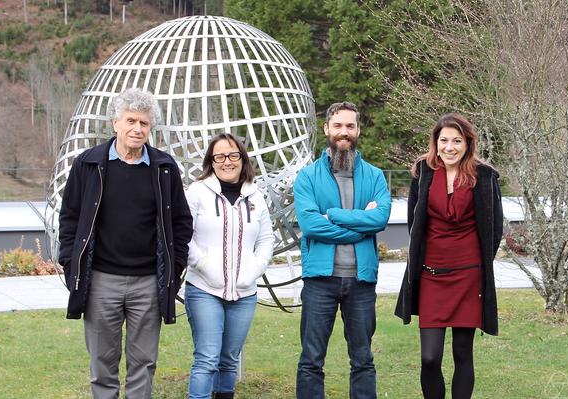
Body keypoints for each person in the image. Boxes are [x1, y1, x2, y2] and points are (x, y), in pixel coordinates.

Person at [58, 88, 193, 399]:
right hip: (101, 280)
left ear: (151, 128)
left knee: (143, 363)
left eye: (144, 123)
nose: (138, 129)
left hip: (148, 282)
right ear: (114, 123)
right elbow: (70, 219)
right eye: (131, 121)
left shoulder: (165, 167)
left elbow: (182, 223)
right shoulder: (88, 164)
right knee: (102, 363)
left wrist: (175, 269)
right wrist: (70, 263)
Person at [394, 113, 503, 399]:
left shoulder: (484, 176)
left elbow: (494, 228)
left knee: (462, 353)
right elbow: (414, 223)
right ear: (436, 142)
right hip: (432, 274)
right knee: (430, 357)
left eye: (457, 141)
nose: (450, 147)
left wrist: (479, 267)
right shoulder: (423, 171)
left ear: (467, 143)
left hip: (469, 276)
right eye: (444, 140)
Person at [294, 102, 391, 399]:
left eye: (350, 126)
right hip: (319, 281)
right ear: (326, 129)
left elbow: (380, 219)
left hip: (361, 281)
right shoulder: (308, 177)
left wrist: (333, 214)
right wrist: (361, 224)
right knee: (311, 360)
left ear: (358, 130)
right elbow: (311, 226)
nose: (343, 132)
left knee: (362, 360)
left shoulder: (374, 176)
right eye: (337, 126)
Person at [184, 133, 275, 399]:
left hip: (244, 293)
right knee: (207, 358)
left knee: (229, 359)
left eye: (233, 155)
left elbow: (267, 238)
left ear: (242, 159)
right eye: (220, 156)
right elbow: (183, 236)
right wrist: (203, 265)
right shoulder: (197, 193)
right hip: (204, 290)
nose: (227, 161)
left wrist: (254, 270)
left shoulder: (256, 195)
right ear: (211, 162)